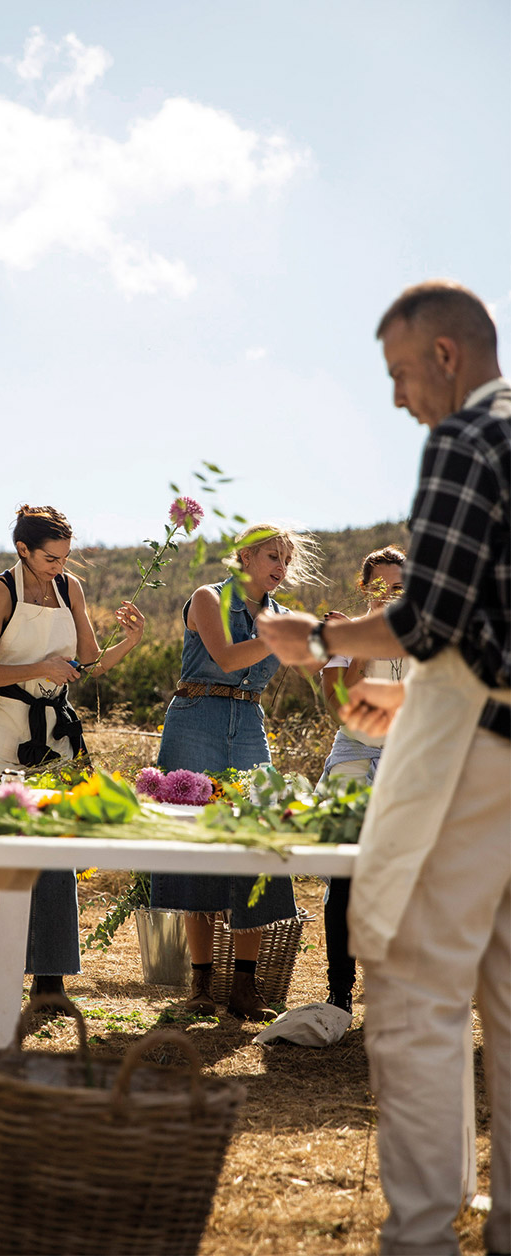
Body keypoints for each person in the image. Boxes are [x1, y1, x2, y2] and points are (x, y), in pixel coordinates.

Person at [257, 280, 509, 1256]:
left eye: (402, 373)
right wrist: (412, 699)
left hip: (476, 764)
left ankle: (420, 1236)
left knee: (412, 988)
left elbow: (430, 617)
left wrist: (315, 637)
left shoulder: (467, 438)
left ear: (447, 355)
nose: (399, 398)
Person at [0, 504, 144, 1015]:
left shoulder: (70, 588)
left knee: (55, 855)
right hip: (2, 732)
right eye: (50, 558)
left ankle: (49, 983)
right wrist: (39, 667)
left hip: (55, 740)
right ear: (23, 550)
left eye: (65, 557)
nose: (60, 566)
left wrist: (129, 643)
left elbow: (88, 664)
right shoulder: (1, 592)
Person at [149, 524, 320, 1021]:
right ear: (244, 557)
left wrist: (324, 637)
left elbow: (311, 665)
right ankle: (200, 985)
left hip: (248, 723)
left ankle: (245, 988)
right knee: (197, 846)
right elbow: (225, 659)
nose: (281, 567)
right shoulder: (208, 598)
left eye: (286, 559)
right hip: (196, 718)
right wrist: (280, 635)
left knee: (255, 842)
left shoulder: (281, 616)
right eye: (272, 556)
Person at [318, 546, 406, 1015]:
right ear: (363, 587)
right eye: (379, 587)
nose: (389, 595)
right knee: (346, 873)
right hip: (355, 755)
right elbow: (338, 707)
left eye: (399, 588)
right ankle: (340, 991)